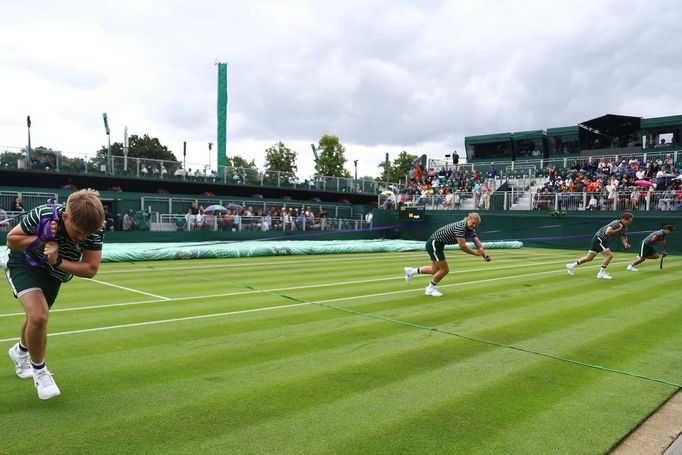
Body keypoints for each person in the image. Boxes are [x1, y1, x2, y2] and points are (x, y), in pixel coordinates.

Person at [4, 189, 105, 399]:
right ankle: (40, 373)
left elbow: (90, 269)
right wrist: (40, 239)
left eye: (88, 234)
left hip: (55, 271)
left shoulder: (92, 229)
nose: (83, 238)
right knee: (39, 316)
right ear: (65, 216)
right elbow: (11, 240)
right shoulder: (43, 215)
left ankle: (20, 351)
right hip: (24, 262)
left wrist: (58, 261)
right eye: (78, 232)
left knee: (36, 319)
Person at [404, 212, 490, 297]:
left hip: (438, 244)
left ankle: (411, 272)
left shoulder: (470, 229)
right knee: (444, 270)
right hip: (434, 243)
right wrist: (475, 253)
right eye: (473, 223)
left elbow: (477, 243)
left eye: (476, 224)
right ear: (468, 219)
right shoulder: (461, 227)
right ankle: (430, 289)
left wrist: (485, 255)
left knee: (435, 270)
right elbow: (463, 246)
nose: (474, 225)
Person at [566, 212, 633, 280]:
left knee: (589, 258)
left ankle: (571, 266)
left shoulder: (625, 228)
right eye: (629, 221)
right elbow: (607, 232)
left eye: (631, 221)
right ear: (624, 219)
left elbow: (623, 237)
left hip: (602, 241)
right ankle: (601, 273)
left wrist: (626, 244)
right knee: (609, 256)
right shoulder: (616, 223)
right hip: (599, 239)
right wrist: (619, 229)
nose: (630, 223)